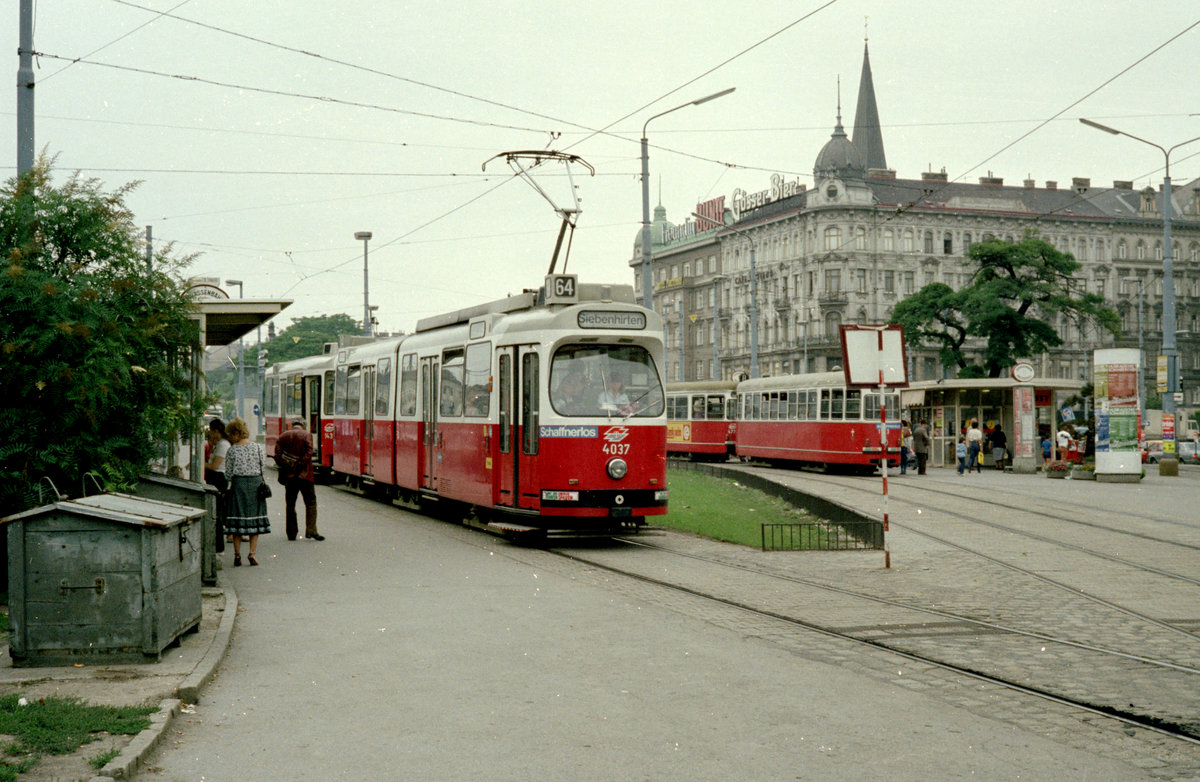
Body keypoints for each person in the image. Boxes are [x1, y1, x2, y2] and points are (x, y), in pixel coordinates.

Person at [222, 417, 270, 566]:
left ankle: (237, 555)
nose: (230, 437)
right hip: (256, 484)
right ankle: (252, 553)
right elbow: (263, 468)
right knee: (254, 521)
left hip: (238, 485)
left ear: (236, 433)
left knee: (237, 520)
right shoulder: (257, 447)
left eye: (231, 434)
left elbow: (228, 473)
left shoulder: (232, 450)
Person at [275, 416, 323, 541]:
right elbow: (309, 452)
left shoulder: (283, 436)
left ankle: (291, 533)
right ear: (304, 425)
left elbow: (278, 455)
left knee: (290, 504)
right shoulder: (307, 434)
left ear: (292, 425)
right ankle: (311, 530)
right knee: (310, 503)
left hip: (289, 476)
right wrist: (299, 465)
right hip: (305, 475)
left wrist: (289, 466)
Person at [204, 418, 230, 553]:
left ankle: (219, 545)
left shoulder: (223, 445)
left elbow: (214, 466)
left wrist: (201, 464)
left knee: (217, 512)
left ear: (215, 430)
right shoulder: (219, 444)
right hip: (217, 479)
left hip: (218, 479)